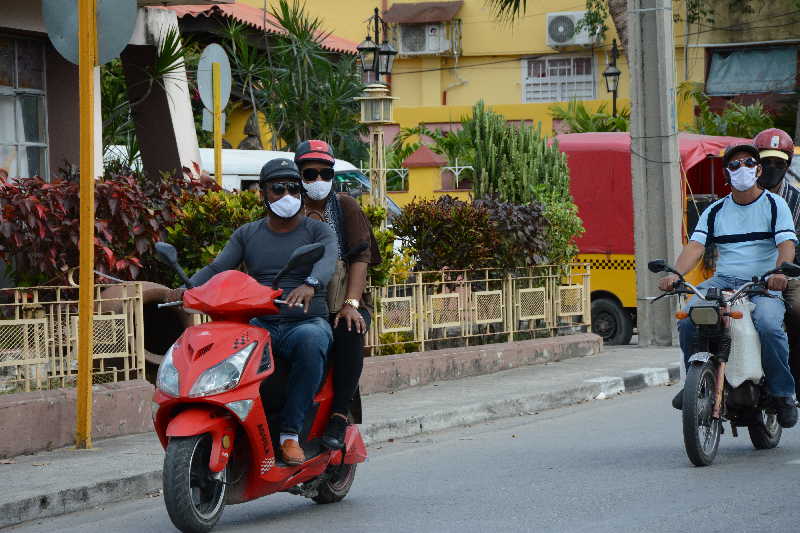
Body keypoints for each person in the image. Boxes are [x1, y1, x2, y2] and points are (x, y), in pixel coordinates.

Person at [169, 158, 338, 466]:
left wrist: (311, 284)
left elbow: (326, 262)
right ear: (263, 193)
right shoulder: (247, 234)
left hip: (306, 319)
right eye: (277, 188)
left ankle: (289, 434)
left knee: (312, 341)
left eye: (292, 188)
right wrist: (187, 288)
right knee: (227, 351)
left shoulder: (318, 231)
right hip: (261, 321)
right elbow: (218, 267)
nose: (286, 195)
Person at [659, 143, 798, 428]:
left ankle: (783, 394)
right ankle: (694, 386)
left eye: (748, 163)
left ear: (758, 169)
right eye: (734, 165)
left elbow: (786, 244)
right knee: (688, 319)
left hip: (762, 281)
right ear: (727, 173)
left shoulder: (775, 204)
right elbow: (695, 247)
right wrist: (675, 273)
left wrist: (780, 273)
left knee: (770, 325)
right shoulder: (715, 210)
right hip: (723, 281)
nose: (741, 170)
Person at [294, 140, 381, 450]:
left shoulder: (345, 207)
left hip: (341, 303)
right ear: (298, 175)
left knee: (347, 330)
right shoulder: (289, 209)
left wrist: (351, 304)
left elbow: (361, 257)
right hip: (299, 305)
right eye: (310, 173)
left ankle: (339, 414)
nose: (318, 180)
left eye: (325, 173)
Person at [753, 128, 800, 398]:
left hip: (788, 276)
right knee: (701, 317)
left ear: (787, 166)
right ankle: (701, 381)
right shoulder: (740, 196)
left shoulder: (797, 201)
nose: (771, 168)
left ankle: (793, 380)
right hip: (744, 276)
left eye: (778, 163)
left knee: (797, 311)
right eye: (765, 162)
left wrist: (787, 266)